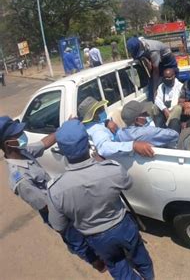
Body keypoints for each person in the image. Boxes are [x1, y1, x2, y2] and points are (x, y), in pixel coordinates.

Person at [47, 120, 154, 280]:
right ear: (88, 144)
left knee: (117, 266)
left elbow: (59, 225)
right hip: (123, 226)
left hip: (96, 237)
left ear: (62, 150)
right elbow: (128, 184)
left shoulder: (55, 189)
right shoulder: (111, 169)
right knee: (140, 255)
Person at [0, 116, 105, 273]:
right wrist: (71, 207)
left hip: (59, 201)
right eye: (18, 134)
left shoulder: (22, 152)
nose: (22, 135)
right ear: (8, 143)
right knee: (75, 239)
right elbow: (46, 207)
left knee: (84, 231)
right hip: (55, 212)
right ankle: (97, 263)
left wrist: (64, 128)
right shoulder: (20, 180)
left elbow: (45, 143)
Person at [78, 96, 154, 158]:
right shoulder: (97, 130)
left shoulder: (90, 126)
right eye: (99, 109)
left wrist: (106, 122)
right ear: (93, 114)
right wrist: (132, 145)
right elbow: (104, 148)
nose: (102, 110)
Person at [127, 36, 177, 101]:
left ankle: (171, 100)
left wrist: (155, 89)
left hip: (167, 60)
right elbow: (145, 61)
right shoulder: (136, 43)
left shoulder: (153, 50)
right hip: (155, 59)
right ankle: (153, 102)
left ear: (141, 46)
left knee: (169, 79)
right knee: (152, 83)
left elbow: (155, 71)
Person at [154, 68, 183, 133]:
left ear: (174, 76)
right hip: (164, 111)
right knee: (154, 107)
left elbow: (180, 102)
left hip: (174, 112)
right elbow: (157, 99)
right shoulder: (161, 86)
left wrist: (170, 111)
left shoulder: (180, 86)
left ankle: (167, 127)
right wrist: (164, 109)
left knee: (178, 108)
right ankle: (155, 127)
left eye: (169, 77)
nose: (167, 79)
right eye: (165, 77)